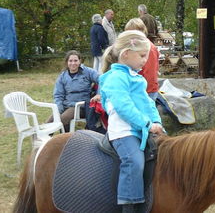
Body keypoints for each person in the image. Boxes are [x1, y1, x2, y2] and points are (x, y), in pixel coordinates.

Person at [99, 30, 164, 212]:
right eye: (142, 56)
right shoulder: (116, 78)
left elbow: (148, 103)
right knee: (134, 161)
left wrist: (157, 122)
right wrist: (147, 124)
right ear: (126, 54)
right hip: (124, 132)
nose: (145, 60)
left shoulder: (135, 77)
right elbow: (124, 107)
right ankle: (130, 205)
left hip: (140, 130)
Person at [47, 50, 99, 132]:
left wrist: (98, 94)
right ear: (67, 62)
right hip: (66, 105)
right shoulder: (63, 76)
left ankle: (58, 139)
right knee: (50, 121)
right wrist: (59, 109)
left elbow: (102, 81)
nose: (73, 63)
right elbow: (58, 95)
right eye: (70, 61)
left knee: (61, 120)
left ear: (80, 61)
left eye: (75, 60)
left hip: (80, 106)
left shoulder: (88, 72)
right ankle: (42, 140)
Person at [124, 18, 160, 101]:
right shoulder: (142, 46)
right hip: (143, 88)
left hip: (146, 90)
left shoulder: (147, 48)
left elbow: (148, 72)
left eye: (131, 33)